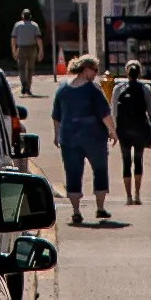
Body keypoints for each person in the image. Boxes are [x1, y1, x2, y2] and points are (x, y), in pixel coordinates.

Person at [52, 54, 112, 225]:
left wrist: (57, 135)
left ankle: (76, 211)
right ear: (85, 70)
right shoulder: (93, 90)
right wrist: (113, 131)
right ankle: (100, 208)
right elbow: (105, 114)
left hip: (69, 139)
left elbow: (56, 116)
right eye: (94, 70)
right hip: (94, 139)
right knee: (100, 171)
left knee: (73, 174)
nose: (96, 73)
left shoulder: (63, 89)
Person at [112, 60, 151, 206]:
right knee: (138, 161)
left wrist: (113, 131)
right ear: (140, 72)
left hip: (123, 131)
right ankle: (138, 195)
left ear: (126, 72)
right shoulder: (146, 89)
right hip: (140, 131)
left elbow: (114, 112)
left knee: (126, 161)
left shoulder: (118, 89)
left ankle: (128, 196)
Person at [11, 8, 43, 97]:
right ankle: (28, 88)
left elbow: (13, 38)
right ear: (30, 16)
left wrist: (14, 50)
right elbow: (38, 39)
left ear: (22, 16)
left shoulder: (17, 25)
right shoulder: (34, 25)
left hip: (21, 48)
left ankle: (23, 82)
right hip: (32, 48)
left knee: (21, 68)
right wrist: (41, 51)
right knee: (30, 69)